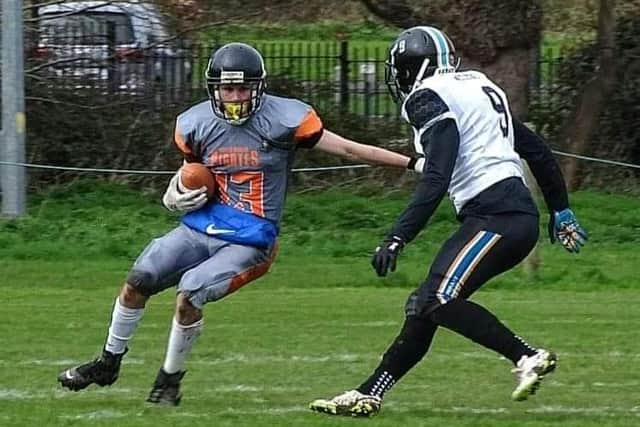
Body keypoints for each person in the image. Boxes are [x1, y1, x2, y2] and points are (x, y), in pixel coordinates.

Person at [57, 42, 424, 405]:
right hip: (202, 226)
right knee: (139, 280)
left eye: (242, 88)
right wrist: (175, 191)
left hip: (252, 238)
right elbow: (196, 173)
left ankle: (169, 378)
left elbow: (346, 148)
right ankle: (108, 362)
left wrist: (411, 163)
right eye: (227, 88)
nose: (234, 96)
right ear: (214, 88)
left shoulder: (285, 119)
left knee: (190, 293)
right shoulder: (194, 123)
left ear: (258, 88)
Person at [309, 26, 587, 417]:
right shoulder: (477, 85)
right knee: (425, 303)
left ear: (412, 69)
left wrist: (396, 237)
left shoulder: (427, 96)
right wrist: (560, 209)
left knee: (440, 297)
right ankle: (370, 392)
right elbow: (537, 150)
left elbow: (438, 175)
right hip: (507, 215)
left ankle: (527, 355)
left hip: (497, 215)